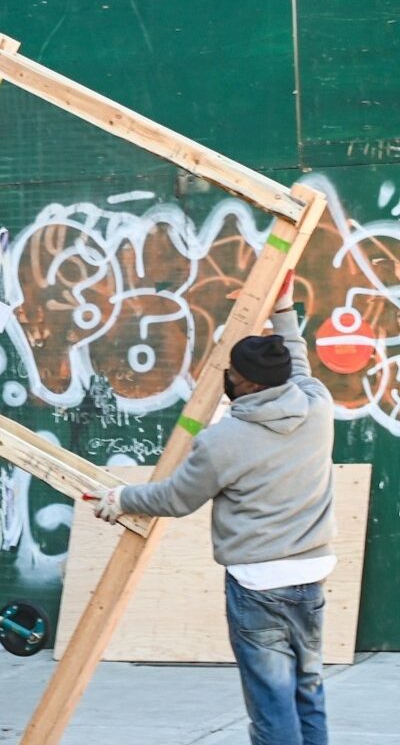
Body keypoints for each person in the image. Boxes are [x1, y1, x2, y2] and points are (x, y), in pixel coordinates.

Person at [92, 277, 333, 745]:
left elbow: (175, 499)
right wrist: (283, 309)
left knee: (271, 704)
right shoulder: (316, 406)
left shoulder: (224, 441)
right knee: (308, 692)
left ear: (240, 382)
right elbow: (298, 366)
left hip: (259, 584)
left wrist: (122, 499)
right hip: (312, 575)